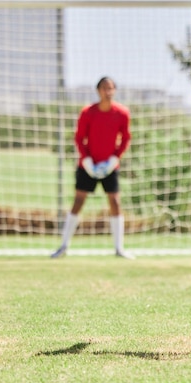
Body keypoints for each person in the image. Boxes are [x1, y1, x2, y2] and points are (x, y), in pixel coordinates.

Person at [51, 76, 134, 259]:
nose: (108, 91)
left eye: (111, 88)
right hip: (88, 166)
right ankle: (63, 246)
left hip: (109, 166)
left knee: (115, 202)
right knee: (78, 202)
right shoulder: (88, 112)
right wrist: (87, 160)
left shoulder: (122, 113)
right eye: (105, 88)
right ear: (98, 91)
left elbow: (126, 138)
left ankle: (119, 249)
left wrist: (114, 158)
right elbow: (79, 138)